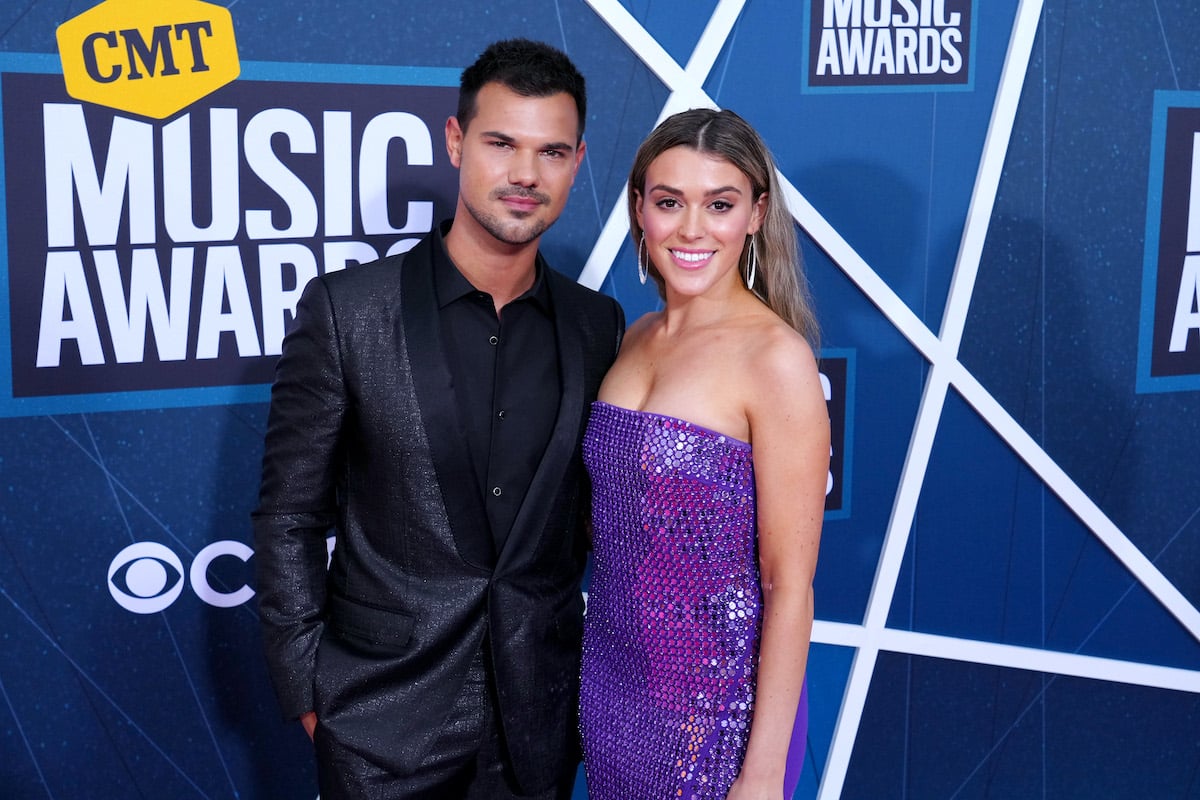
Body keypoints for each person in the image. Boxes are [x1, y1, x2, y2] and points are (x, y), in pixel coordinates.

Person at [252, 38, 624, 800]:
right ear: (456, 143)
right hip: (379, 725)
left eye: (552, 151)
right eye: (502, 144)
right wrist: (314, 697)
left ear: (579, 161)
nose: (526, 174)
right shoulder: (347, 312)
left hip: (538, 735)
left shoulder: (597, 326)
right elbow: (288, 515)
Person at [578, 108, 829, 800]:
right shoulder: (633, 337)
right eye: (669, 202)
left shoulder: (776, 358)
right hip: (613, 690)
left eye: (720, 204)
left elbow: (788, 586)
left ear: (756, 214)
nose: (692, 229)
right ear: (639, 210)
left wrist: (761, 773)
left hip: (718, 716)